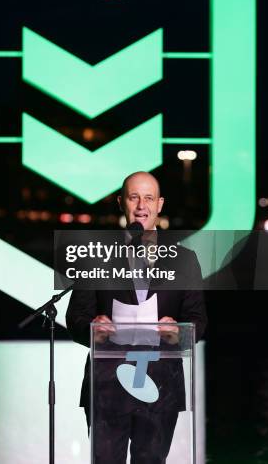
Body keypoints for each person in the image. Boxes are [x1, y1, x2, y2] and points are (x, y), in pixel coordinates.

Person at [66, 171, 207, 463]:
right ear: (121, 203)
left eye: (148, 198)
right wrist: (94, 329)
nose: (141, 205)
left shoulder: (184, 260)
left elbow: (198, 320)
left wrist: (178, 331)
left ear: (160, 204)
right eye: (134, 197)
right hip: (107, 386)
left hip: (160, 385)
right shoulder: (95, 257)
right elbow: (76, 318)